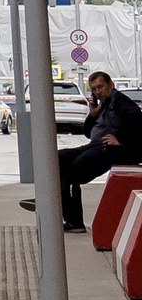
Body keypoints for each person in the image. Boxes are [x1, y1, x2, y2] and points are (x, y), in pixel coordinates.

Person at [25, 70, 142, 231]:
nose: (98, 92)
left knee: (71, 172)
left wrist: (120, 140)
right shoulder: (104, 104)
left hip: (113, 150)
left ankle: (57, 208)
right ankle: (53, 203)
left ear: (111, 85)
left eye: (100, 87)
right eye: (93, 89)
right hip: (96, 145)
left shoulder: (120, 102)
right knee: (59, 158)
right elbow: (88, 132)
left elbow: (138, 123)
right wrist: (93, 114)